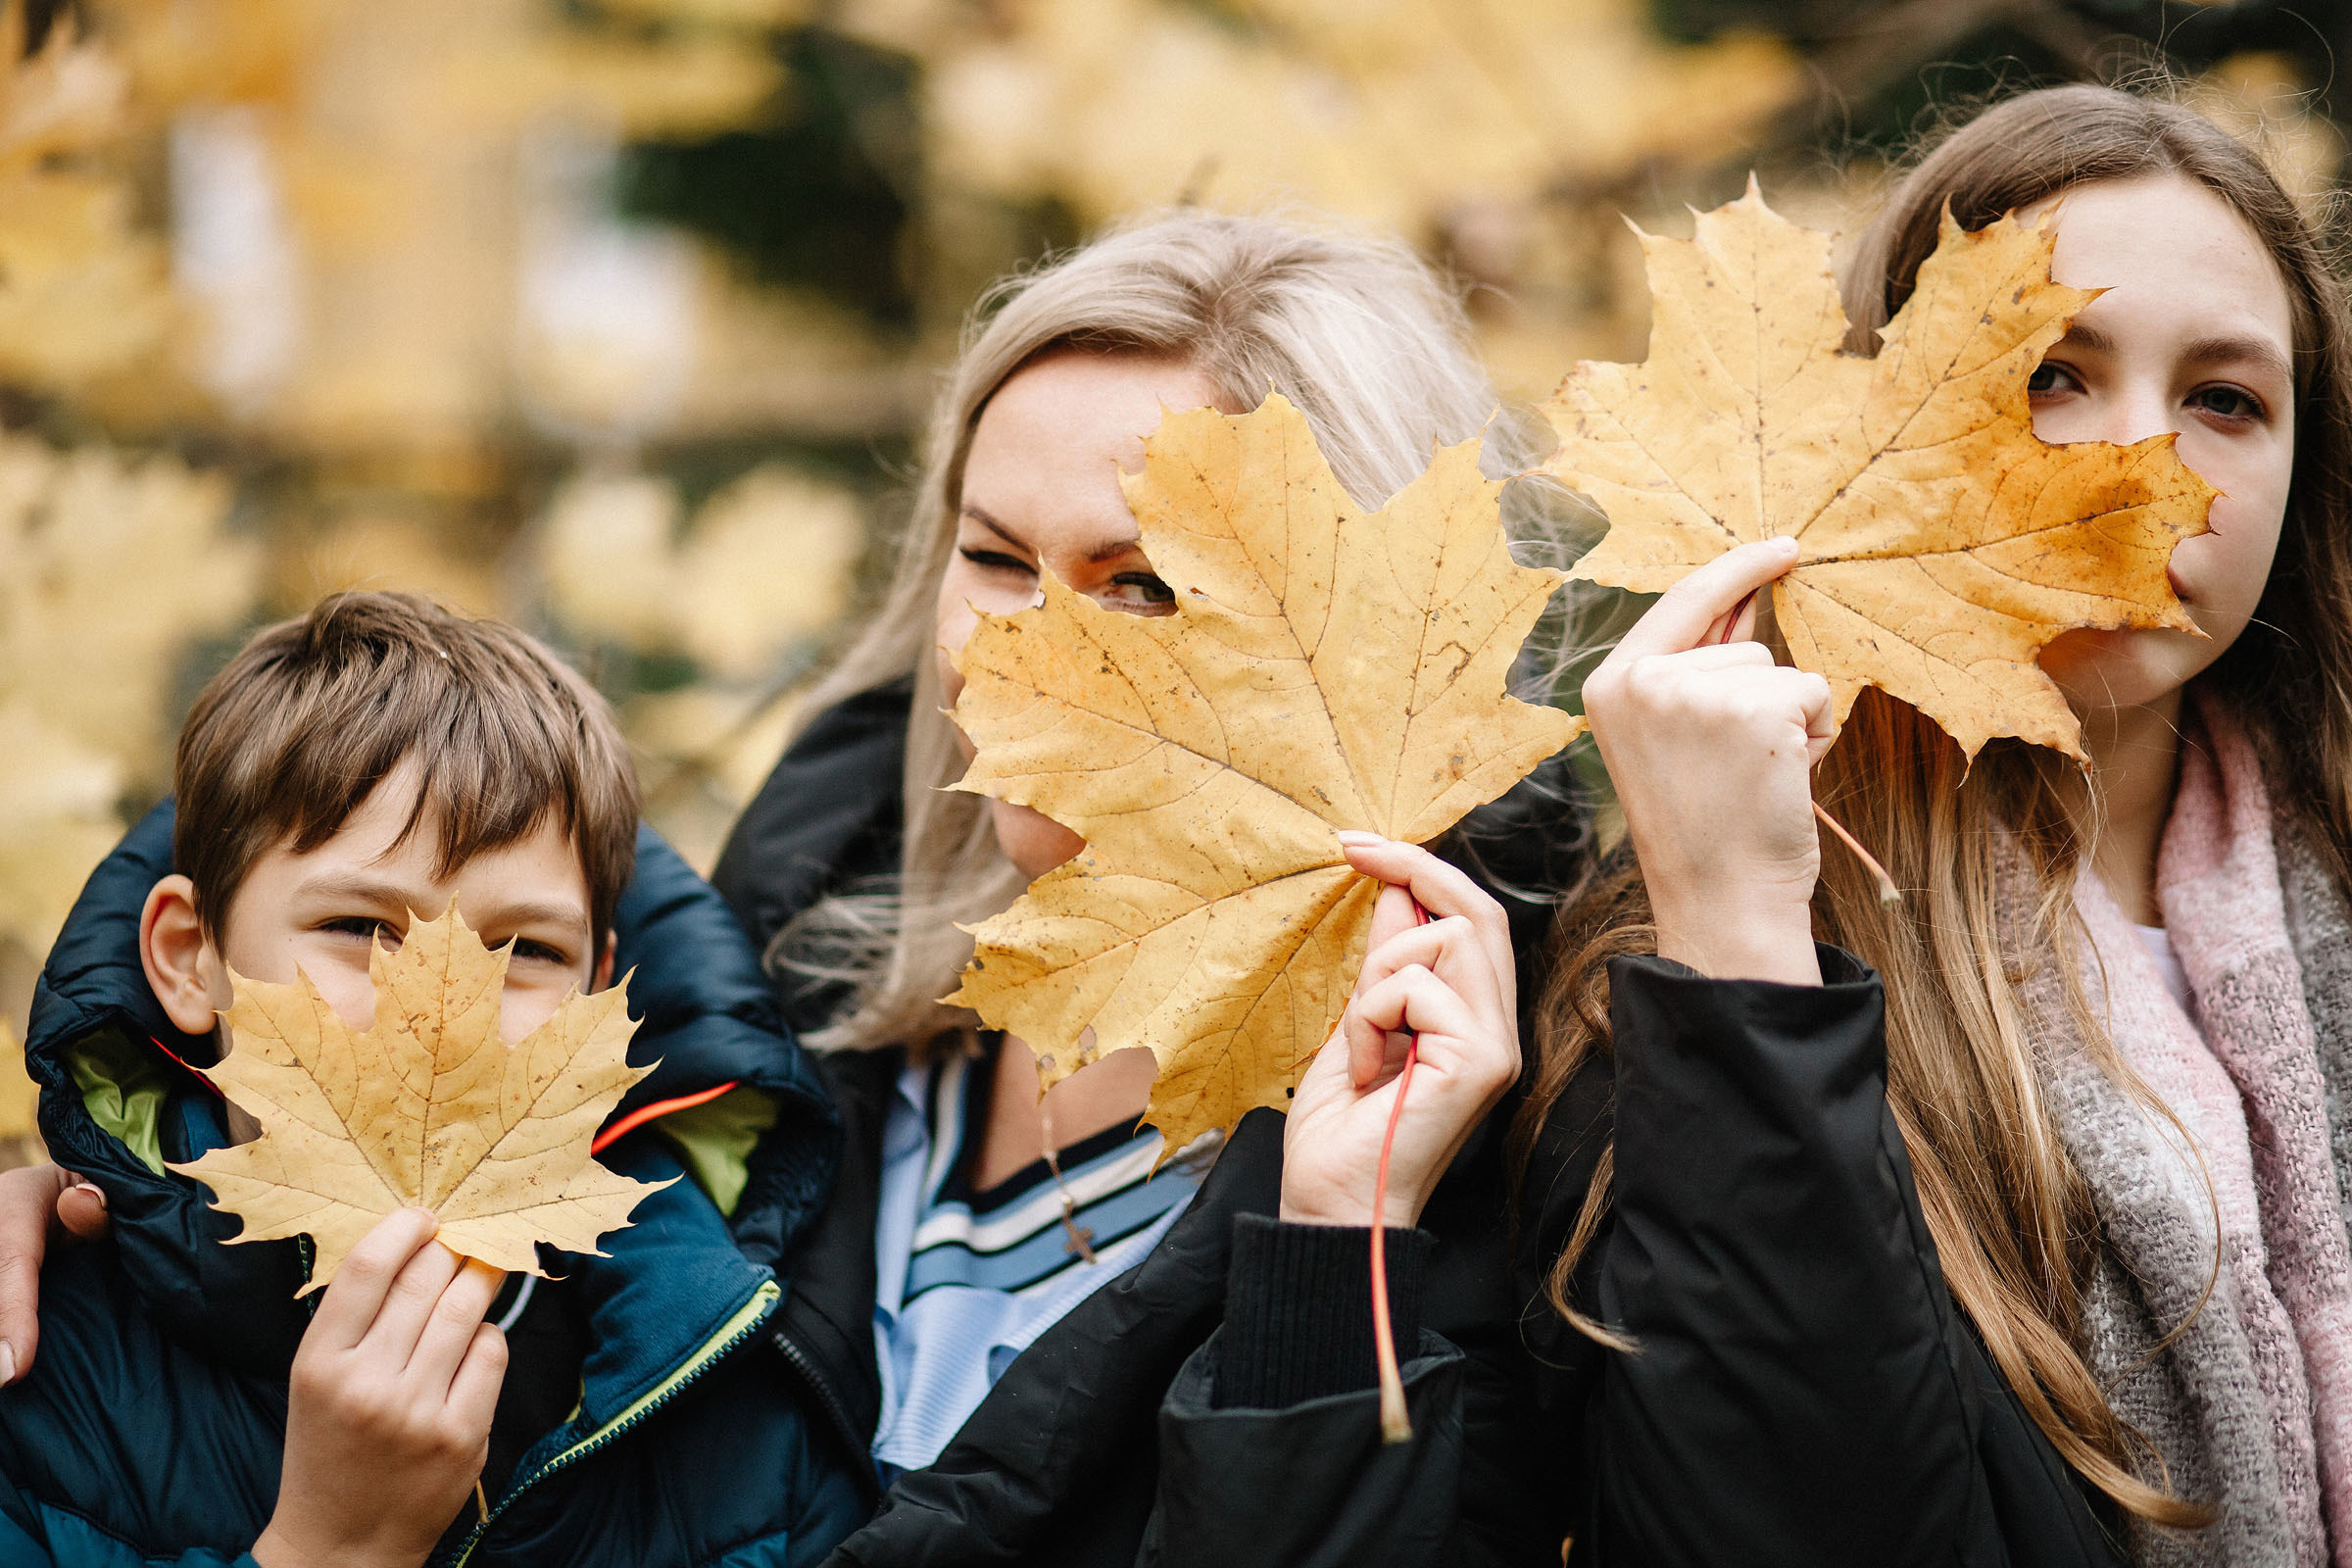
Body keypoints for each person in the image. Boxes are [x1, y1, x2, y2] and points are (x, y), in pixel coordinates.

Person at [1, 211, 1597, 1565]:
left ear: (1352, 646)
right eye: (991, 560)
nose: (1006, 656)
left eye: (1143, 587)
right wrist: (111, 1150)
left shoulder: (1496, 1119)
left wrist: (1335, 1255)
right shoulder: (792, 969)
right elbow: (392, 884)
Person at [1252, 82, 2352, 1566]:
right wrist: (1742, 952)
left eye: (2226, 400)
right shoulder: (1661, 981)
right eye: (2050, 374)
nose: (2139, 468)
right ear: (1866, 431)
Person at [0, 592, 860, 1567]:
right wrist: (334, 1549)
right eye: (359, 927)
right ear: (189, 958)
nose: (444, 1017)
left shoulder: (739, 1383)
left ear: (599, 988)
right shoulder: (40, 1367)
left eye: (527, 949)